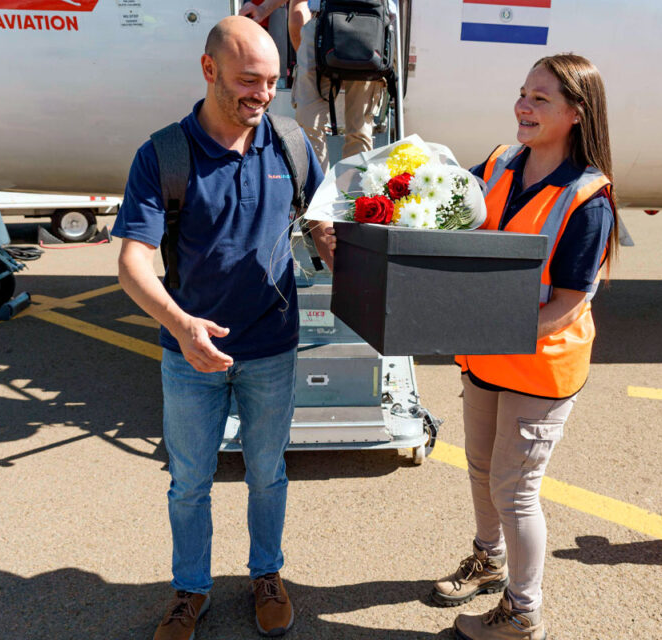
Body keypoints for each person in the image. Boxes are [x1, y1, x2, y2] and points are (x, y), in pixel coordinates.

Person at [112, 16, 332, 640]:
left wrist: (349, 250)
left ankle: (267, 574)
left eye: (270, 81)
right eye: (246, 81)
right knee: (189, 482)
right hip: (188, 351)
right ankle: (191, 590)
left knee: (267, 472)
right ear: (208, 70)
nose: (261, 94)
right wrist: (182, 326)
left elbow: (323, 220)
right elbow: (133, 263)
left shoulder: (289, 142)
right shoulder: (164, 154)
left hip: (271, 344)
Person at [431, 54, 619, 640]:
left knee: (515, 490)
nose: (523, 106)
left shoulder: (588, 201)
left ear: (575, 113)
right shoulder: (497, 162)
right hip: (485, 357)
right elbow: (438, 213)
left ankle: (522, 612)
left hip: (540, 368)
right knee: (483, 469)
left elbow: (567, 302)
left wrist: (488, 327)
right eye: (521, 93)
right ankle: (488, 562)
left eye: (540, 99)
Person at [241, 0, 396, 170]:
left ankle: (352, 192)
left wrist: (263, 9)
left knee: (354, 129)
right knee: (312, 124)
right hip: (335, 25)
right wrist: (262, 9)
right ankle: (316, 190)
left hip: (369, 25)